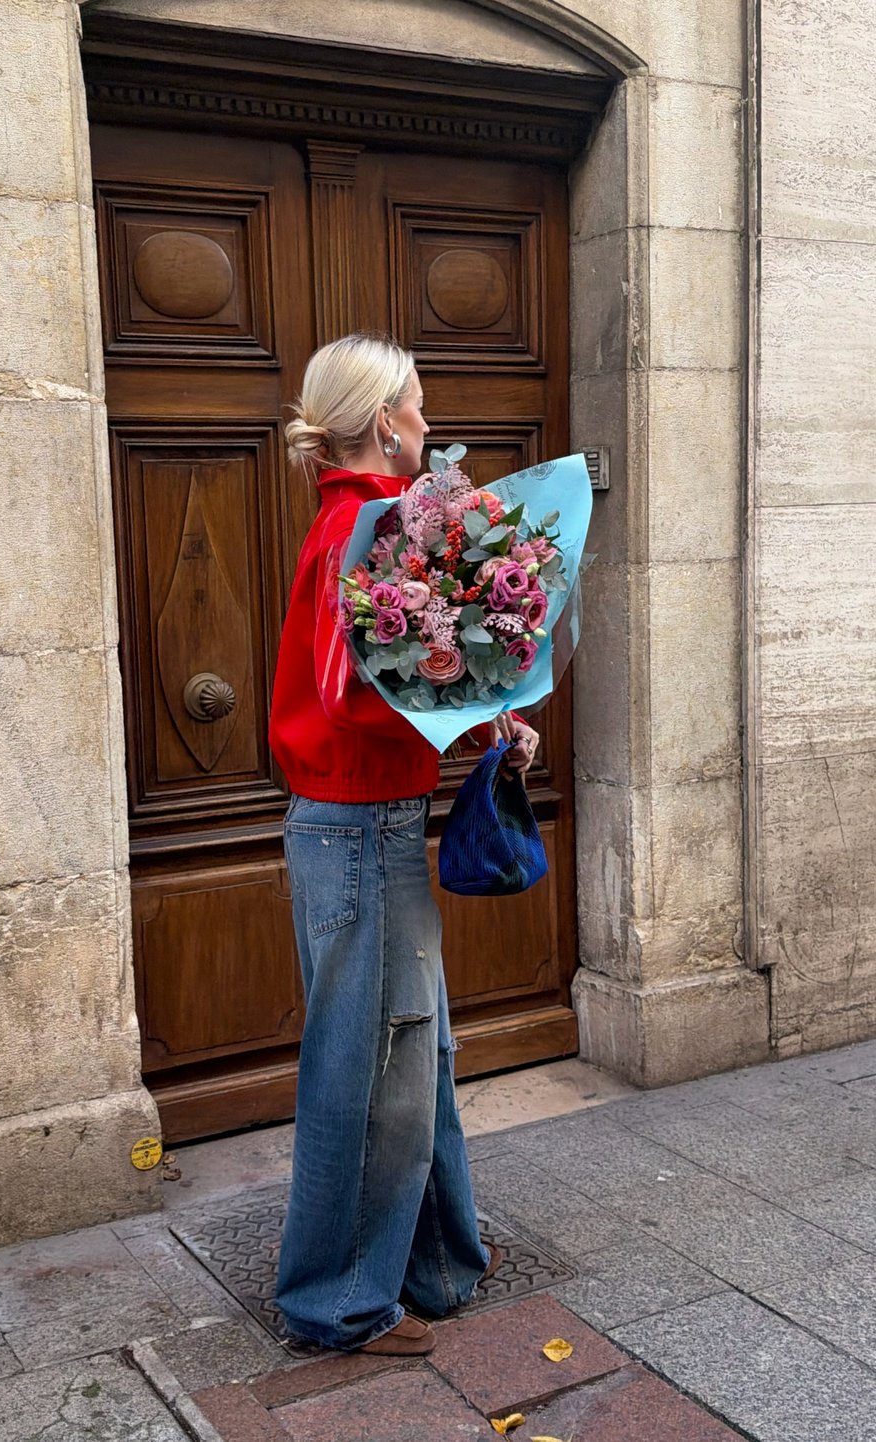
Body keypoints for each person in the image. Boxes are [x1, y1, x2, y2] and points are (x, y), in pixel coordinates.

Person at [268, 333, 539, 1356]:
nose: (427, 421)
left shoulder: (354, 518)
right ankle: (335, 1299)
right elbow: (359, 696)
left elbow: (379, 683)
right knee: (368, 1064)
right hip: (358, 826)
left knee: (413, 1050)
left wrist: (481, 718)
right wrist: (480, 701)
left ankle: (436, 1261)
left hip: (360, 822)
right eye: (417, 404)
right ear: (384, 419)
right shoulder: (369, 521)